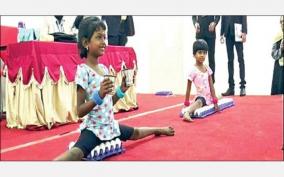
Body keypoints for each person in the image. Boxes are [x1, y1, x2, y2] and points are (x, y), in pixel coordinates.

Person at [54, 17, 174, 161]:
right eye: (99, 37)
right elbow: (79, 111)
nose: (104, 42)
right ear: (86, 43)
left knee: (135, 133)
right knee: (76, 153)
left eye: (105, 37)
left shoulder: (104, 69)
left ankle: (158, 129)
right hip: (94, 129)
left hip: (110, 126)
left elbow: (108, 103)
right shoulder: (83, 71)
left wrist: (121, 90)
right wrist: (99, 95)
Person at [182, 39, 219, 122]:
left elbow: (211, 85)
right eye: (199, 52)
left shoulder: (207, 68)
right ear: (194, 55)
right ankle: (187, 113)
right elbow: (188, 88)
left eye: (204, 53)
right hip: (201, 97)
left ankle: (209, 101)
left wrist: (215, 100)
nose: (202, 55)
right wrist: (186, 103)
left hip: (208, 97)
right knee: (199, 102)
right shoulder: (193, 70)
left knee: (219, 95)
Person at [220, 16, 247, 96]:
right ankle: (231, 87)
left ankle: (242, 87)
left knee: (240, 59)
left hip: (238, 31)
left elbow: (244, 17)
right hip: (227, 33)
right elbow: (223, 18)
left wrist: (244, 32)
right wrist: (221, 33)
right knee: (230, 61)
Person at [192, 16, 220, 83]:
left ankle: (212, 82)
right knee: (199, 59)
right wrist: (195, 23)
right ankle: (199, 81)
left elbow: (218, 16)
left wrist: (215, 23)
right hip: (200, 32)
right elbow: (193, 17)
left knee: (211, 58)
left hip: (210, 32)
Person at [271, 16, 284, 95]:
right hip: (280, 69)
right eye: (281, 21)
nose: (282, 23)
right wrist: (281, 50)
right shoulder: (277, 36)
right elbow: (273, 54)